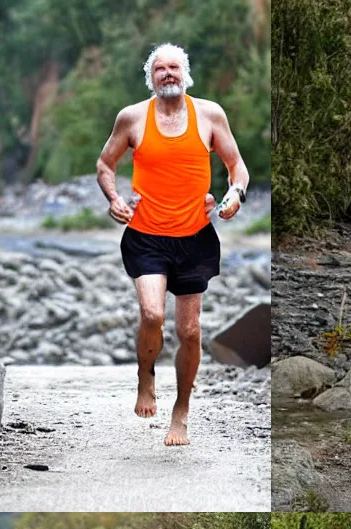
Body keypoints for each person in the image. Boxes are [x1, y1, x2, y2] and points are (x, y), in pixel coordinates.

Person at [96, 42, 250, 447]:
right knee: (151, 314)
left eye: (174, 68)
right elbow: (105, 164)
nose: (168, 74)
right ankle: (145, 376)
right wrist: (114, 199)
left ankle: (181, 410)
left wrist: (234, 196)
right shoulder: (131, 118)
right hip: (146, 234)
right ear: (151, 78)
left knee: (191, 331)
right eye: (160, 69)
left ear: (186, 74)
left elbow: (237, 167)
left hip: (195, 238)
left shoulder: (210, 114)